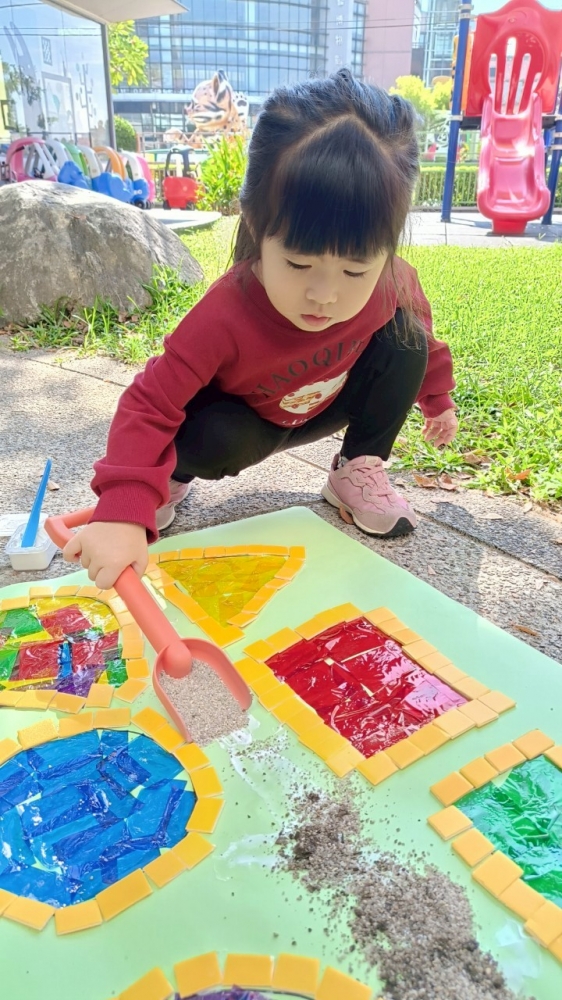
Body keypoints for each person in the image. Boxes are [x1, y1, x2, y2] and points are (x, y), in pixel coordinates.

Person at [64, 69, 458, 591]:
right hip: (242, 426)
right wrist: (123, 508)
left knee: (405, 336)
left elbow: (422, 340)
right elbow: (149, 402)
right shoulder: (225, 313)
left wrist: (437, 397)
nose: (325, 294)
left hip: (324, 406)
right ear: (254, 224)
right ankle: (171, 479)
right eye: (298, 264)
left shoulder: (390, 282)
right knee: (213, 435)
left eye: (355, 270)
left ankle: (356, 467)